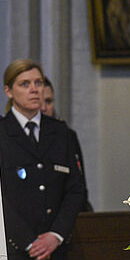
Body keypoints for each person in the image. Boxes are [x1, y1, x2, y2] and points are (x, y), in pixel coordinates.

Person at [0, 59, 85, 260]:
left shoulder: (60, 132)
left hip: (53, 249)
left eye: (38, 82)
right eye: (25, 84)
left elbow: (75, 190)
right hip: (14, 249)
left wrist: (56, 235)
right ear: (8, 91)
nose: (34, 89)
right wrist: (27, 240)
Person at [41, 77, 93, 212]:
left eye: (48, 101)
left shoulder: (66, 135)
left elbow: (80, 186)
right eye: (39, 101)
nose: (44, 108)